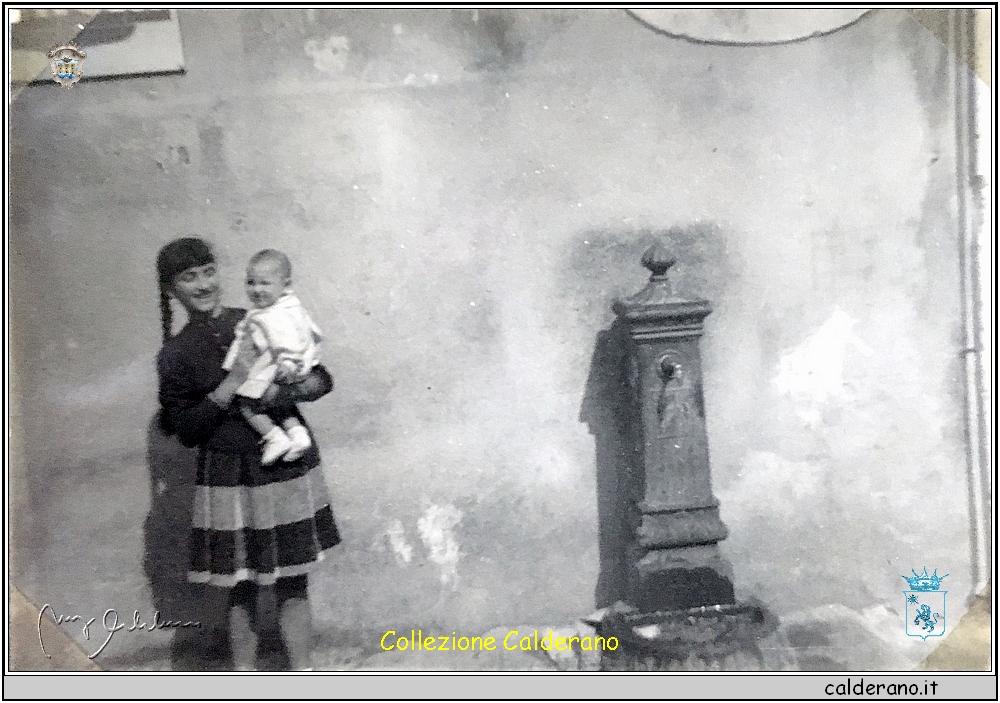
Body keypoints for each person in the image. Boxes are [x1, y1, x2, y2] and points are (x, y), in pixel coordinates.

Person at [155, 238, 340, 671]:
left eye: (207, 272)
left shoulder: (257, 317)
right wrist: (230, 386)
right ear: (171, 290)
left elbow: (321, 379)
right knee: (239, 585)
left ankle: (303, 674)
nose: (203, 285)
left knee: (293, 579)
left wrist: (286, 388)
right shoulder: (176, 354)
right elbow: (186, 429)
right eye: (188, 277)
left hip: (284, 467)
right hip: (228, 473)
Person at [222, 249, 322, 465]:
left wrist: (287, 362)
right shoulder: (286, 306)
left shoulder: (275, 313)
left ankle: (274, 437)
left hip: (279, 365)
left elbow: (289, 341)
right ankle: (297, 434)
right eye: (251, 282)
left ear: (285, 284)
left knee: (246, 404)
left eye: (264, 283)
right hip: (286, 365)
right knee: (276, 404)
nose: (256, 290)